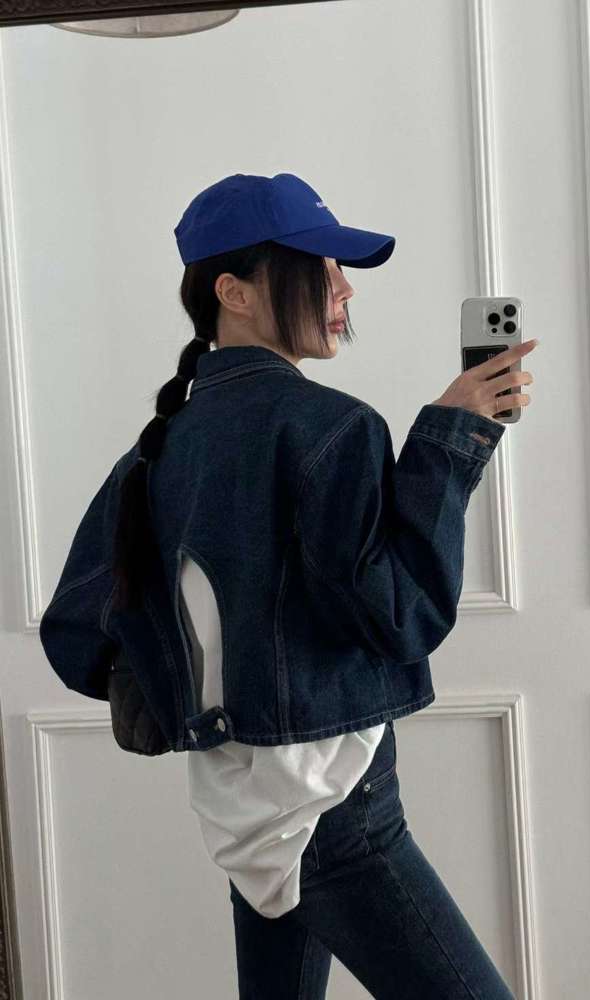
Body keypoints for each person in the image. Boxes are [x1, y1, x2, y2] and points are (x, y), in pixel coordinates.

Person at [42, 172, 536, 998]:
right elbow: (403, 617)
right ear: (233, 292)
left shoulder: (161, 448)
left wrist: (200, 699)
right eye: (319, 268)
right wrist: (449, 441)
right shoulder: (331, 427)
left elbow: (77, 634)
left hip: (242, 802)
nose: (343, 290)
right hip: (335, 804)